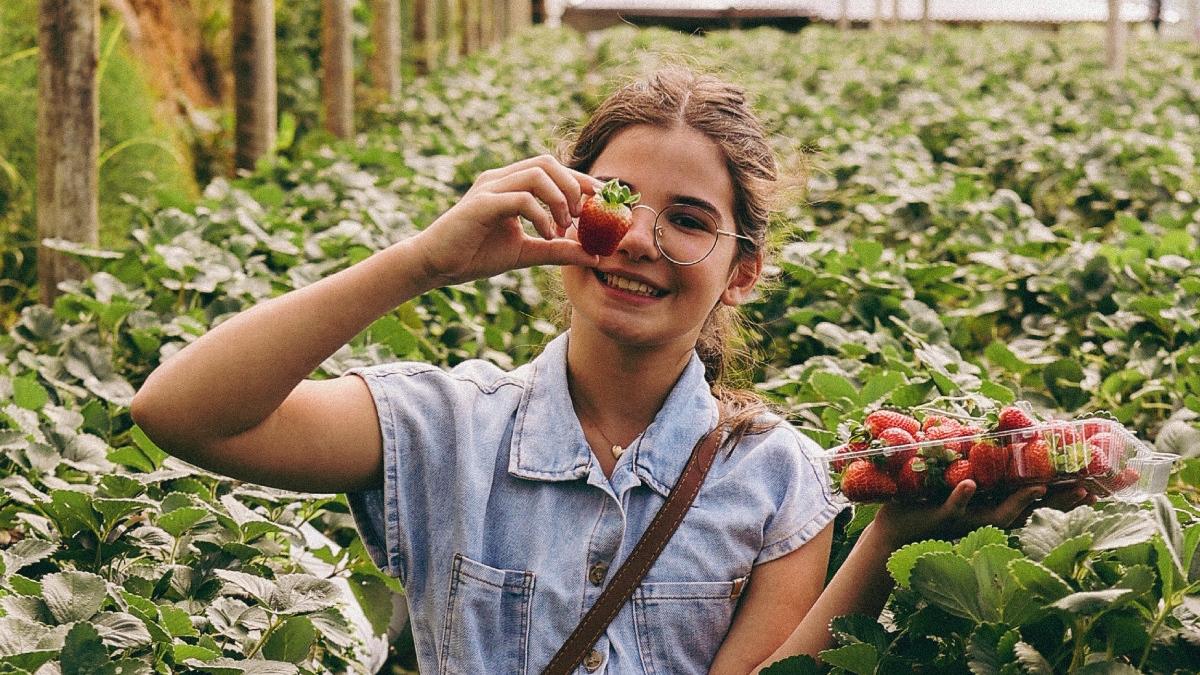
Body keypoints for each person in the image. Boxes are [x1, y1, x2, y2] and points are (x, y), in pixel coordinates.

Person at [131, 66, 1090, 674]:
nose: (639, 239)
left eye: (690, 219)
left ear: (740, 272)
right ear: (564, 210)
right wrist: (422, 261)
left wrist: (889, 540)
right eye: (619, 199)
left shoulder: (775, 474)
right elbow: (181, 412)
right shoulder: (445, 426)